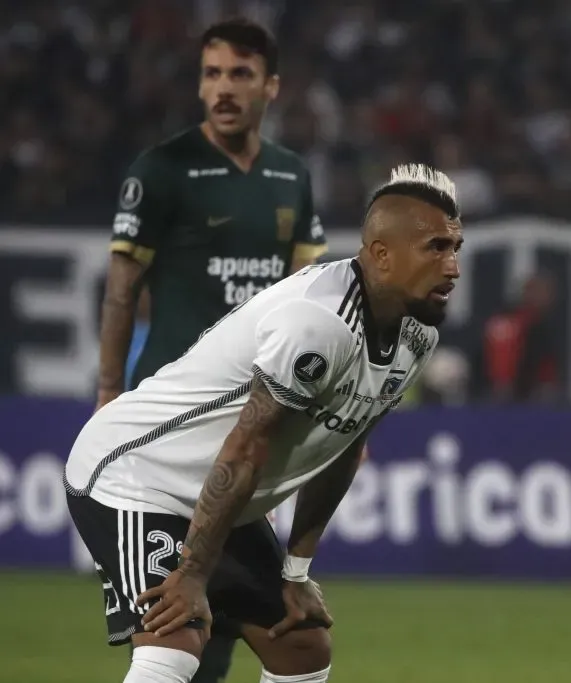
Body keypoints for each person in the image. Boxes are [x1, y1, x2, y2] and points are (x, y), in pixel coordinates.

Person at [65, 163, 462, 683]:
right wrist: (191, 574)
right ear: (382, 255)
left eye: (456, 247)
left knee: (301, 646)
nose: (453, 267)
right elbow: (245, 448)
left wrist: (296, 572)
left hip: (216, 498)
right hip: (136, 475)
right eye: (437, 247)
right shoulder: (317, 323)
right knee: (176, 637)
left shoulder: (416, 337)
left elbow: (343, 445)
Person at [96, 18, 327, 681]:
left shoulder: (291, 176)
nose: (223, 89)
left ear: (271, 86)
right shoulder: (162, 170)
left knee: (238, 620)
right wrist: (108, 394)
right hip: (169, 429)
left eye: (240, 74)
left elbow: (307, 297)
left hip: (251, 428)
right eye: (212, 73)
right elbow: (120, 292)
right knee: (179, 622)